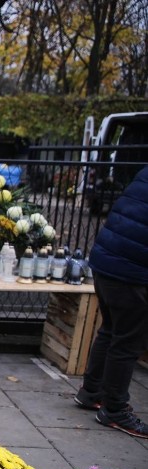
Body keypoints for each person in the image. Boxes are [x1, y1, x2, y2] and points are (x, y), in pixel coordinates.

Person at [74, 165, 148, 438]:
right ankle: (114, 410)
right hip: (132, 271)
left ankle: (91, 392)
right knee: (127, 341)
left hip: (106, 261)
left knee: (110, 329)